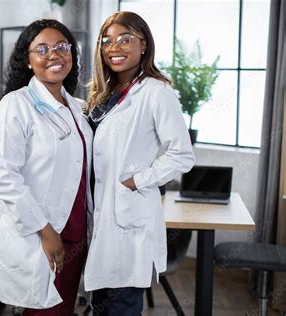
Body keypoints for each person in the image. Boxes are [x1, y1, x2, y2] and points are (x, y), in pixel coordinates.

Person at [84, 11, 195, 315]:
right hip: (99, 216)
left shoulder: (157, 92)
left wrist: (136, 181)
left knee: (121, 304)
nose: (114, 47)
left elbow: (182, 155)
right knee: (100, 304)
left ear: (143, 45)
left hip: (128, 217)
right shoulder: (103, 95)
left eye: (125, 39)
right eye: (107, 41)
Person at [0, 19, 93, 314]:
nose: (53, 54)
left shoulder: (78, 107)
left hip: (76, 232)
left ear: (72, 53)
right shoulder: (16, 105)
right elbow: (5, 178)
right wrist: (45, 231)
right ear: (29, 61)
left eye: (61, 47)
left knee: (63, 308)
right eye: (42, 49)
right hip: (44, 234)